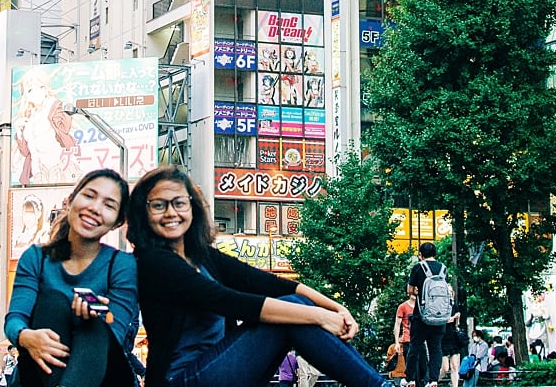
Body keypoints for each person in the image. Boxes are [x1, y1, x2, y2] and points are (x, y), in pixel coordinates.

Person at [126, 165, 391, 387]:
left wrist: (337, 308)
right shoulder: (153, 262)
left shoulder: (202, 256)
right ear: (144, 213)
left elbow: (269, 283)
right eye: (158, 205)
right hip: (182, 379)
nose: (171, 213)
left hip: (220, 367)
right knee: (290, 312)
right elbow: (231, 301)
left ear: (192, 207)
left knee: (291, 303)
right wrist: (322, 316)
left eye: (179, 203)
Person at [4, 169, 137, 387]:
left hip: (101, 371)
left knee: (93, 325)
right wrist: (26, 336)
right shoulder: (36, 258)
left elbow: (116, 329)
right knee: (53, 303)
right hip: (39, 368)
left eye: (109, 205)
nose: (95, 209)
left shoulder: (122, 265)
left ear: (117, 222)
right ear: (71, 200)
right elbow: (16, 317)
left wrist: (94, 316)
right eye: (89, 196)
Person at [405, 242, 448, 387]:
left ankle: (410, 378)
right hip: (440, 317)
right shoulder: (443, 268)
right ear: (435, 254)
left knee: (415, 346)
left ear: (420, 255)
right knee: (436, 348)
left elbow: (409, 290)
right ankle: (433, 380)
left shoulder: (418, 267)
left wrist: (415, 290)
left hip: (422, 315)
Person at [439, 286, 463, 387]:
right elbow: (442, 320)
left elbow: (457, 325)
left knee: (455, 367)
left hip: (453, 337)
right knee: (445, 368)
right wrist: (452, 318)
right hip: (443, 338)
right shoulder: (440, 306)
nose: (449, 293)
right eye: (446, 292)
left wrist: (457, 318)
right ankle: (433, 381)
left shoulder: (455, 306)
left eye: (450, 292)